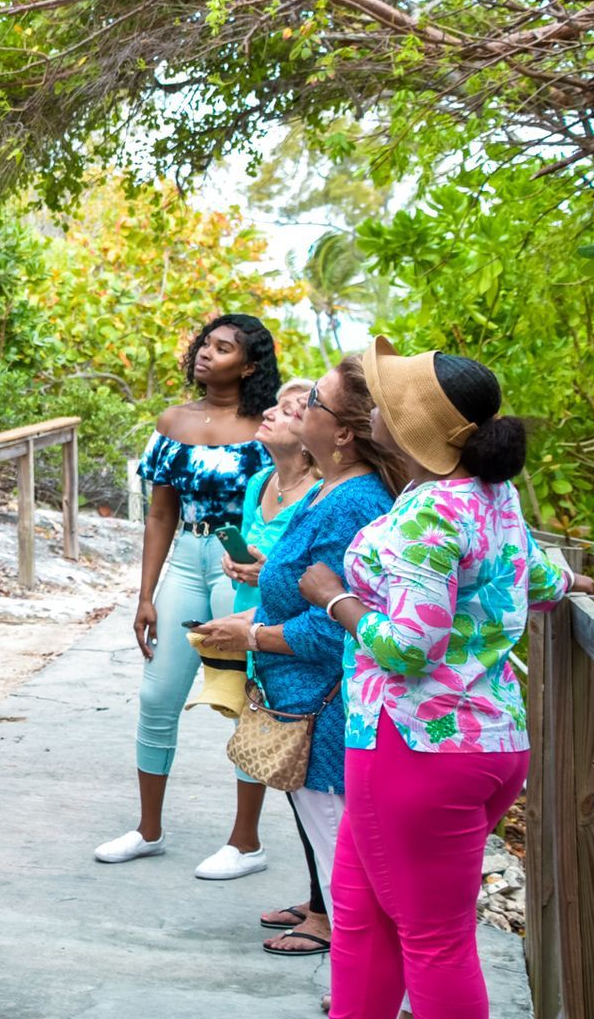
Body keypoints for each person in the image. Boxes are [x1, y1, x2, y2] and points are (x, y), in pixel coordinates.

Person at [302, 342, 590, 1018]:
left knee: (434, 940)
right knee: (362, 914)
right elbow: (535, 579)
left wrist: (335, 599)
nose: (375, 404)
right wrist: (575, 580)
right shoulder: (490, 495)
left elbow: (410, 645)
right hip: (485, 745)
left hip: (413, 750)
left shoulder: (429, 512)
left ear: (408, 425)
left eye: (387, 396)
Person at [199, 359, 403, 965]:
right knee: (341, 855)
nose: (295, 405)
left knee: (351, 866)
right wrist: (265, 589)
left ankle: (365, 985)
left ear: (342, 432)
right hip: (306, 704)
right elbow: (311, 581)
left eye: (311, 400)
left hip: (329, 710)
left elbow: (341, 622)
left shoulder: (355, 502)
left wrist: (254, 635)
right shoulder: (328, 491)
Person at [95, 314, 279, 878]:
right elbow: (159, 512)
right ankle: (148, 830)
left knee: (244, 698)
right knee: (157, 696)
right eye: (205, 343)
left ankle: (245, 842)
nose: (206, 353)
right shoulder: (172, 421)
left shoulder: (266, 428)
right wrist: (144, 594)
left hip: (240, 568)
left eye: (223, 349)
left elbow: (290, 498)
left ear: (248, 366)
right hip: (185, 560)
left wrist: (267, 569)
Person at [219, 380, 335, 953]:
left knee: (317, 786)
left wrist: (261, 611)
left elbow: (324, 593)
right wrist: (252, 571)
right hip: (265, 644)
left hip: (294, 650)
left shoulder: (334, 495)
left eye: (296, 409)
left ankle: (330, 913)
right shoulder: (262, 481)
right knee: (295, 782)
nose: (273, 413)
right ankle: (320, 900)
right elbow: (287, 573)